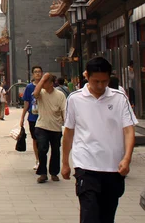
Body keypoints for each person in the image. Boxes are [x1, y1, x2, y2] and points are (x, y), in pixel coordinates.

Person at [62, 57, 138, 223]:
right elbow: (68, 132)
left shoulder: (119, 98)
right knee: (89, 215)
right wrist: (65, 163)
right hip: (86, 166)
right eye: (96, 81)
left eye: (104, 81)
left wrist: (127, 158)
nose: (100, 86)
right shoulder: (75, 99)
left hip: (113, 167)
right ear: (87, 76)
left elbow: (129, 130)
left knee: (106, 216)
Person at [32, 73, 66, 184]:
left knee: (55, 150)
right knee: (42, 148)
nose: (43, 83)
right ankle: (42, 173)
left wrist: (66, 125)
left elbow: (64, 110)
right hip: (42, 126)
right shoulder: (41, 93)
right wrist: (42, 79)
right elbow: (35, 93)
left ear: (51, 84)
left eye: (46, 81)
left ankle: (54, 172)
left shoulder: (60, 95)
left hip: (56, 127)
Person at [20, 66, 43, 171]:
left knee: (44, 141)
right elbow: (26, 103)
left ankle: (43, 160)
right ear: (33, 74)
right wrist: (22, 118)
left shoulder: (46, 86)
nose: (37, 74)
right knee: (35, 139)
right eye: (35, 72)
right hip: (33, 117)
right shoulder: (29, 87)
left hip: (44, 117)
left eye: (39, 72)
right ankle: (38, 160)